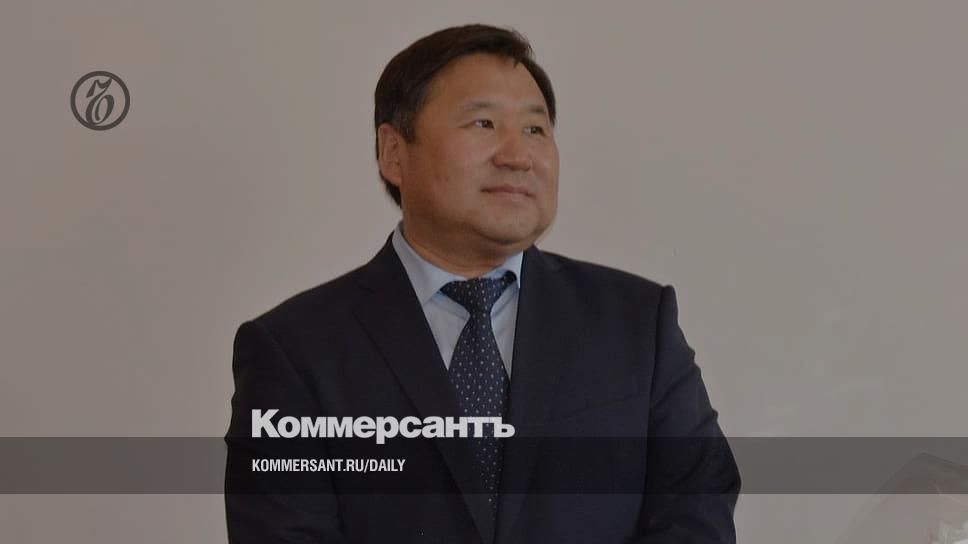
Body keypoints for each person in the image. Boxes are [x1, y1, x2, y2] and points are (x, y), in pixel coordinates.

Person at [224, 23, 740, 544]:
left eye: (535, 129)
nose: (517, 155)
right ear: (393, 152)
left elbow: (696, 512)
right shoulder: (295, 351)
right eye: (484, 123)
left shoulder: (637, 324)